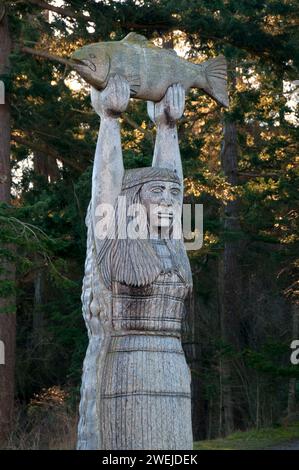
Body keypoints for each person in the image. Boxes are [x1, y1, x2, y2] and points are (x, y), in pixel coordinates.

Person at [77, 75, 193, 450]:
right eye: (155, 192)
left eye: (173, 195)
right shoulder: (115, 236)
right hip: (124, 373)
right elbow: (106, 185)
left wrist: (167, 126)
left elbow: (173, 177)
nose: (167, 199)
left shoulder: (172, 244)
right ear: (132, 199)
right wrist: (109, 120)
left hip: (173, 372)